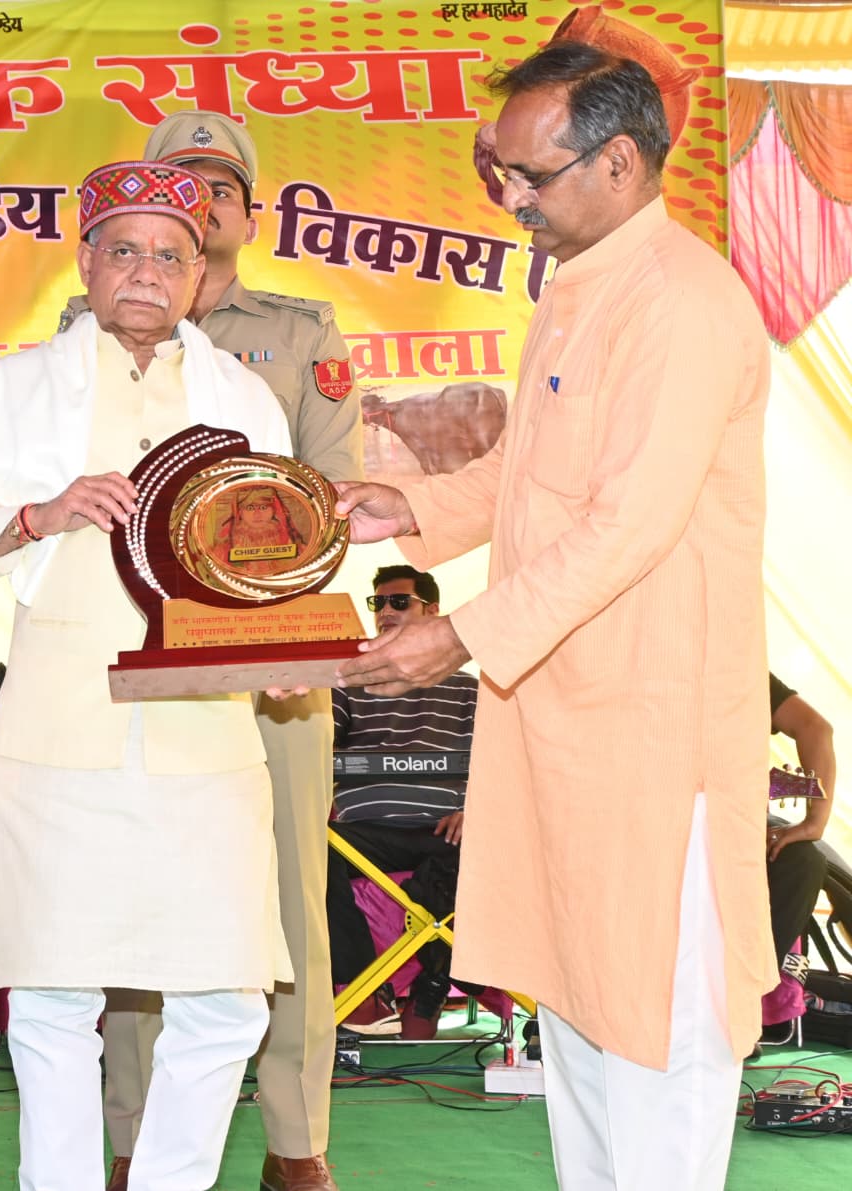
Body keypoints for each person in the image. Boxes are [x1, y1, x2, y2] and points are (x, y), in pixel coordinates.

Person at [329, 42, 773, 1189]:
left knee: (657, 1025)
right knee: (578, 1015)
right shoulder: (577, 292)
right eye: (501, 174)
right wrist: (410, 506)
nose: (511, 198)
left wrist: (454, 636)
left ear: (617, 161)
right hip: (563, 719)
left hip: (653, 731)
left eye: (529, 175)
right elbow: (529, 470)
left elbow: (627, 524)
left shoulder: (677, 302)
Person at [0, 159, 294, 1191]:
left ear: (199, 273)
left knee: (227, 998)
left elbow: (278, 556)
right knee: (50, 998)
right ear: (84, 261)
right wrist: (38, 513)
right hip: (60, 717)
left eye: (170, 255)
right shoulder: (18, 387)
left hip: (205, 726)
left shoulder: (243, 396)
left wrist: (283, 642)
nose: (146, 272)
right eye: (123, 249)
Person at [60, 110, 362, 1191]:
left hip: (269, 656)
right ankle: (132, 1137)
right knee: (135, 891)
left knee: (289, 899)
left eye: (224, 181)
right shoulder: (86, 325)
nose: (208, 196)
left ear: (247, 209)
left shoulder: (302, 332)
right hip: (132, 653)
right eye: (183, 180)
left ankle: (296, 1140)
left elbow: (330, 492)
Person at [326, 566, 477, 1039]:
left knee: (482, 857)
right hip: (364, 835)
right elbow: (317, 742)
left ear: (432, 611)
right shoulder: (347, 685)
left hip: (443, 829)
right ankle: (363, 988)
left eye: (399, 602)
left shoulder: (470, 689)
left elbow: (502, 760)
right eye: (378, 603)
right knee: (308, 846)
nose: (385, 611)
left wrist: (475, 808)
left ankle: (432, 985)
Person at [766, 672, 837, 972]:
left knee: (802, 862)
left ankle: (748, 987)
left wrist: (813, 823)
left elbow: (815, 728)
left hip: (732, 826)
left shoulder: (738, 668)